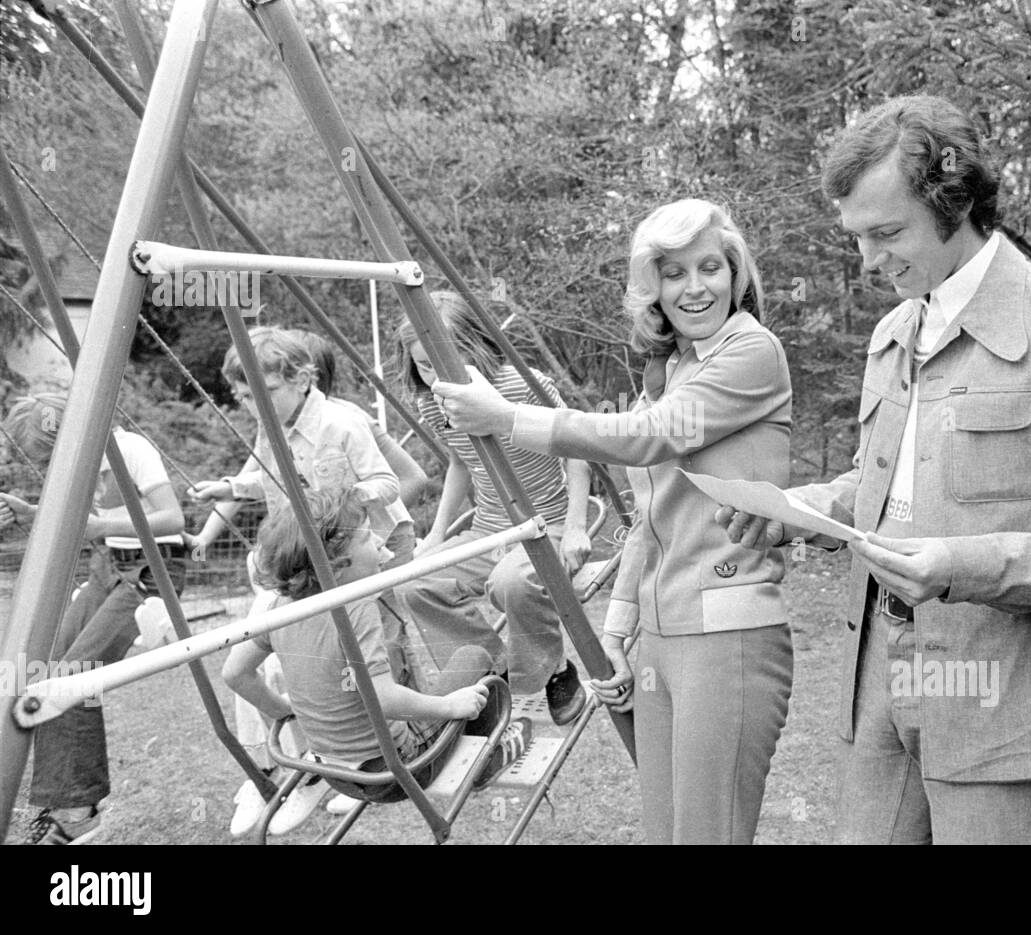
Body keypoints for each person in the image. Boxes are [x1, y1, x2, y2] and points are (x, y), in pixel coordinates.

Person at [719, 95, 1031, 843]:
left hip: (997, 687)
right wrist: (795, 508)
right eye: (856, 237)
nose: (867, 261)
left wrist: (956, 564)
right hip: (881, 670)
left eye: (886, 233)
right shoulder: (894, 330)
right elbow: (881, 490)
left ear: (956, 205)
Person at [431, 198, 795, 844]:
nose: (694, 286)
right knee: (665, 834)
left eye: (709, 266)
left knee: (707, 836)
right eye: (673, 272)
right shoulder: (675, 367)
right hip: (661, 634)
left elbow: (647, 437)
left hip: (728, 630)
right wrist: (621, 627)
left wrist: (509, 418)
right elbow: (650, 515)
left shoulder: (751, 351)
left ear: (736, 272)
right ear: (651, 286)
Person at [188, 326, 412, 833]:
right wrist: (228, 487)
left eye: (260, 392)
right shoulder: (272, 427)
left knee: (378, 649)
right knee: (283, 654)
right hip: (305, 560)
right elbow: (263, 476)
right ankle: (307, 755)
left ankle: (387, 750)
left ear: (302, 378)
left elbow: (389, 483)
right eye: (242, 396)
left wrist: (340, 505)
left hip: (364, 551)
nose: (250, 404)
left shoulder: (340, 424)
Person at [222, 487, 530, 808]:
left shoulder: (279, 608)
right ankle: (485, 758)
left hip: (334, 774)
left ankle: (456, 739)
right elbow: (385, 700)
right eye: (368, 538)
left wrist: (280, 710)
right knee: (473, 656)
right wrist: (452, 706)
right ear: (337, 563)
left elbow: (235, 673)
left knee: (391, 678)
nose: (381, 542)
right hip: (396, 771)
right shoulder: (355, 608)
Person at [393, 294, 592, 725]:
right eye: (423, 367)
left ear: (474, 346)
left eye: (443, 363)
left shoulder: (521, 385)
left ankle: (553, 670)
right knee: (414, 583)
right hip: (489, 528)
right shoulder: (434, 401)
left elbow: (576, 450)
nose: (434, 377)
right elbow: (460, 462)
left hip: (545, 523)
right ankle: (494, 667)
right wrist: (437, 535)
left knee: (511, 582)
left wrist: (576, 528)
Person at [0, 394, 187, 845]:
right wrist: (31, 513)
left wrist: (100, 528)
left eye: (49, 455)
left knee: (70, 679)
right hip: (110, 567)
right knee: (38, 666)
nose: (50, 466)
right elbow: (83, 521)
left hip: (152, 569)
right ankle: (61, 797)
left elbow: (172, 517)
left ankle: (78, 809)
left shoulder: (130, 451)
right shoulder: (81, 466)